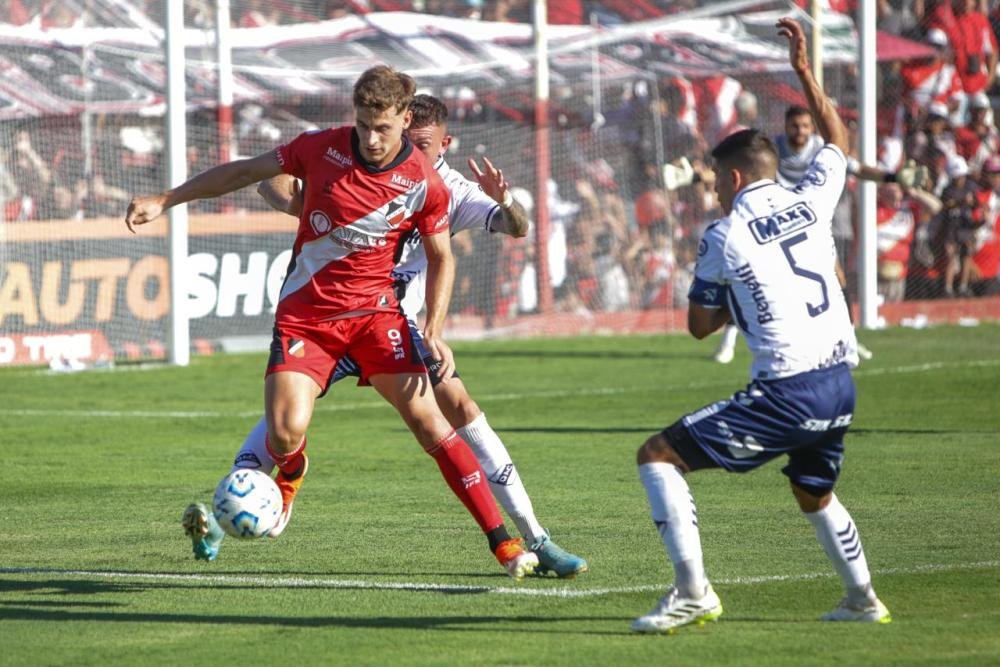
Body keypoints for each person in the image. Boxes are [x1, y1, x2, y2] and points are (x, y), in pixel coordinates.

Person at [125, 66, 538, 579]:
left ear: (404, 120)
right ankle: (289, 482)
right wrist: (165, 200)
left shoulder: (426, 183)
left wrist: (433, 328)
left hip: (375, 317)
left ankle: (507, 543)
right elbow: (245, 173)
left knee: (432, 420)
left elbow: (442, 257)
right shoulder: (319, 147)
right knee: (282, 432)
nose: (369, 137)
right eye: (363, 124)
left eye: (382, 127)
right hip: (307, 317)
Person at [631, 18, 891, 634]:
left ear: (737, 178)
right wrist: (805, 71)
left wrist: (730, 301)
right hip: (840, 380)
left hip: (788, 389)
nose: (715, 190)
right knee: (812, 491)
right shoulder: (813, 197)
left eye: (719, 179)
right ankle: (862, 599)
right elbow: (839, 139)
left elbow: (699, 326)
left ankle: (692, 592)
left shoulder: (725, 233)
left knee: (658, 456)